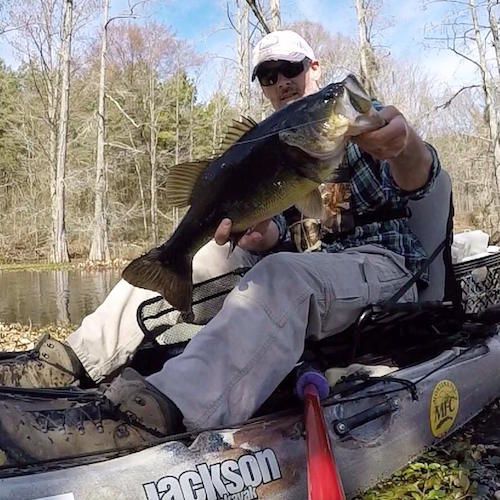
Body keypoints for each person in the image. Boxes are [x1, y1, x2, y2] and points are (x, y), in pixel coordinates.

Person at [0, 30, 440, 462]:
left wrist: (404, 146)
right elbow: (283, 230)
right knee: (199, 254)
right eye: (268, 75)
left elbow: (420, 178)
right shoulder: (272, 143)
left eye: (291, 68)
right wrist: (265, 236)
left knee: (281, 276)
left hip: (382, 263)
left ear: (314, 68)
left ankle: (155, 413)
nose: (282, 81)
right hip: (308, 266)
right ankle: (67, 362)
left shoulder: (365, 124)